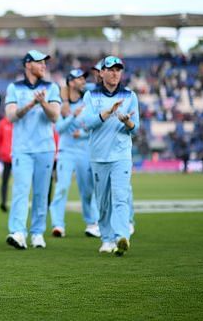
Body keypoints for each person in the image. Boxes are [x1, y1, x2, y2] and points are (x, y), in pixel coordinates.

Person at [81, 56, 139, 256]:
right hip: (98, 156)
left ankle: (122, 236)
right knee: (103, 201)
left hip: (121, 155)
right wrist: (106, 113)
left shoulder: (130, 96)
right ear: (102, 72)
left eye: (118, 69)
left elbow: (135, 128)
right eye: (110, 69)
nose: (115, 73)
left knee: (121, 198)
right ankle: (106, 238)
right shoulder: (90, 95)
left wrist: (126, 121)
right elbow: (87, 122)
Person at [5, 50, 61, 250]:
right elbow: (11, 116)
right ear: (28, 64)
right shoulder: (15, 88)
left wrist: (43, 102)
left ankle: (37, 233)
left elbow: (55, 116)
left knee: (41, 192)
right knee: (20, 190)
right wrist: (31, 104)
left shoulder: (51, 87)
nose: (44, 66)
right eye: (40, 62)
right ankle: (18, 232)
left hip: (45, 148)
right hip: (21, 149)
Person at [49, 69, 100, 238]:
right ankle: (58, 225)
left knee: (87, 189)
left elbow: (93, 126)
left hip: (84, 151)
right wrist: (72, 116)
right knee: (61, 187)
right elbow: (59, 128)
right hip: (66, 151)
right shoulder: (61, 103)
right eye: (79, 79)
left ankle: (92, 223)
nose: (83, 81)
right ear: (71, 82)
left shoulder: (88, 100)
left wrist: (83, 134)